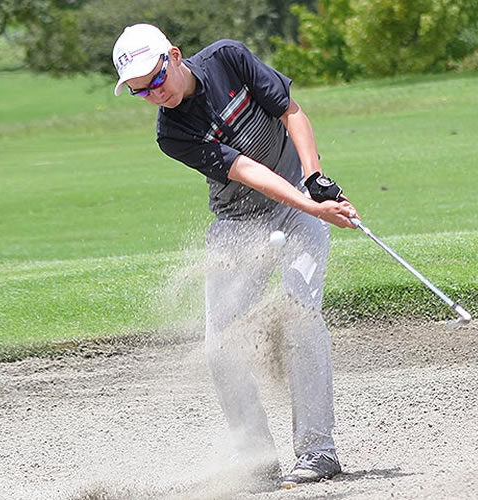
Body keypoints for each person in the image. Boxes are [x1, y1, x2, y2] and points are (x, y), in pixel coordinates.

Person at [111, 24, 358, 489]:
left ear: (175, 57)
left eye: (156, 79)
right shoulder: (172, 133)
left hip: (298, 205)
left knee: (302, 317)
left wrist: (315, 179)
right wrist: (315, 206)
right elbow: (247, 171)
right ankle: (257, 458)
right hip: (238, 224)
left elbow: (291, 112)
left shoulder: (228, 58)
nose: (155, 94)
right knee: (219, 345)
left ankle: (318, 451)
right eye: (142, 92)